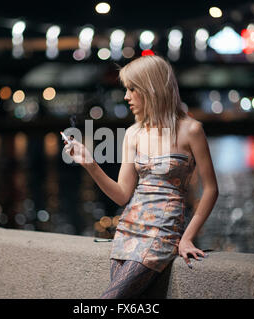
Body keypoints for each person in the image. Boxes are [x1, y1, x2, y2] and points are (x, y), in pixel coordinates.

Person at [62, 55, 219, 299]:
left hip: (163, 232)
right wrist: (90, 163)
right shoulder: (133, 133)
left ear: (152, 89)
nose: (126, 97)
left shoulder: (191, 130)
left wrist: (187, 237)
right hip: (128, 229)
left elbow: (210, 189)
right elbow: (123, 194)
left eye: (132, 89)